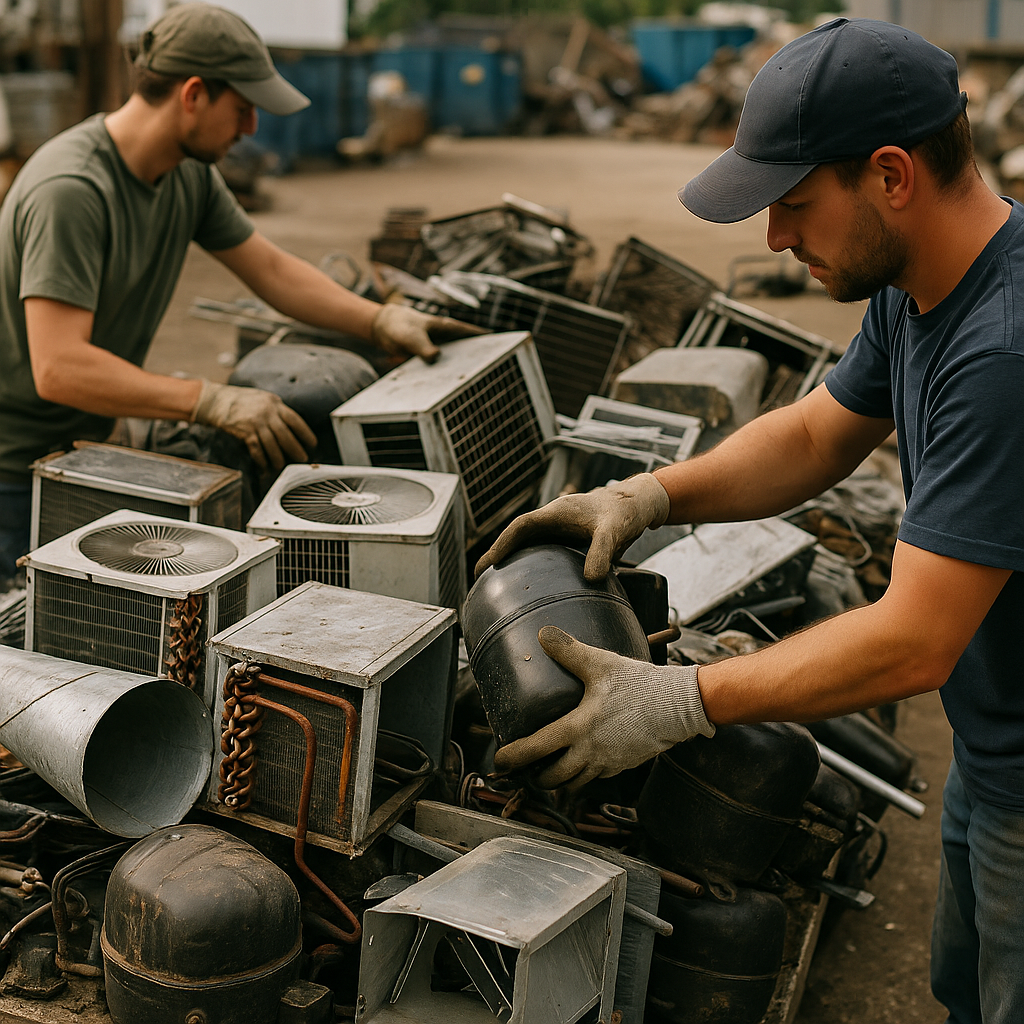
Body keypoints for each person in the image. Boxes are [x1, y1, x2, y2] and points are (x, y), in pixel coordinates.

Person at [476, 18, 1024, 1024]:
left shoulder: (1001, 354)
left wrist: (681, 699)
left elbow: (912, 640)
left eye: (795, 204)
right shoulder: (919, 288)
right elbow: (817, 434)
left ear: (892, 174)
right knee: (967, 992)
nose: (774, 239)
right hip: (996, 753)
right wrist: (644, 496)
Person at [0, 2, 479, 581]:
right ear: (193, 94)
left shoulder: (186, 174)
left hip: (82, 443)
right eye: (244, 108)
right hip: (10, 466)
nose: (252, 128)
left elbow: (272, 271)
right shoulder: (72, 190)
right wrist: (212, 400)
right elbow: (60, 368)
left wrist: (381, 321)